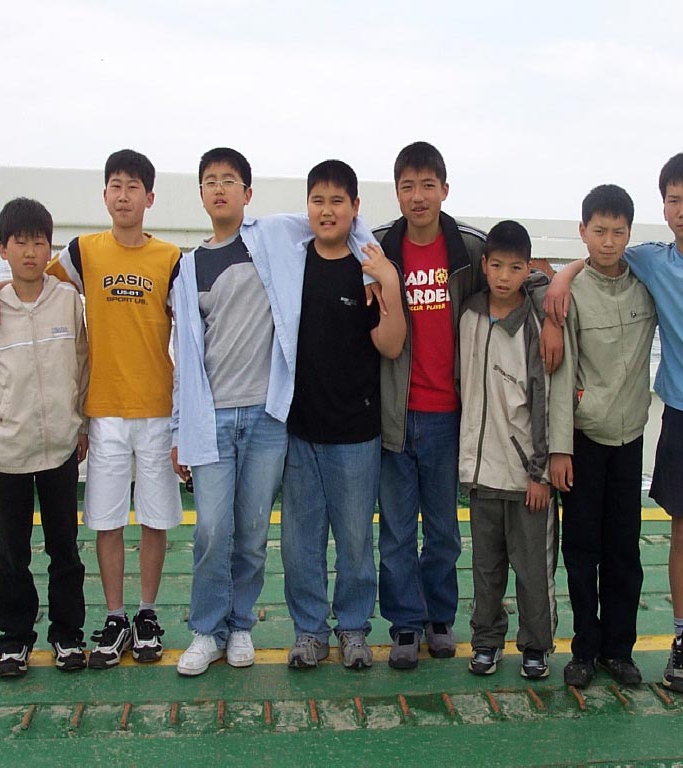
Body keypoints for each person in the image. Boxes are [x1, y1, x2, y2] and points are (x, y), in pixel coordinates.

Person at [547, 152, 683, 694]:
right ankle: (639, 646)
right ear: (663, 208)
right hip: (642, 427)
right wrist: (560, 279)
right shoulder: (629, 271)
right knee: (647, 537)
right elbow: (589, 260)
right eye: (674, 200)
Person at [170, 148, 380, 675]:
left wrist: (377, 273)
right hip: (212, 418)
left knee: (253, 532)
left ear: (248, 192)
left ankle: (241, 625)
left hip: (268, 416)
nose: (220, 189)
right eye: (210, 181)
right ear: (201, 194)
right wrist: (179, 430)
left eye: (230, 180)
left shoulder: (272, 235)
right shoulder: (189, 266)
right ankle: (207, 630)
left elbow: (344, 223)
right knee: (211, 530)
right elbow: (184, 355)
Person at [0, 150, 183, 669]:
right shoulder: (83, 252)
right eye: (115, 185)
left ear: (150, 198)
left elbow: (195, 325)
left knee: (154, 519)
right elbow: (29, 281)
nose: (123, 195)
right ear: (105, 195)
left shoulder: (171, 258)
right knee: (106, 521)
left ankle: (147, 614)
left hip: (158, 407)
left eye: (133, 187)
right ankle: (115, 617)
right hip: (103, 411)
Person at [373, 142, 559, 670]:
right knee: (396, 531)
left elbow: (526, 280)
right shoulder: (382, 247)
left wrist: (553, 309)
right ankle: (404, 624)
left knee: (443, 532)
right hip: (394, 413)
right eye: (408, 186)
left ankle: (439, 620)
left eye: (428, 185)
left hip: (448, 416)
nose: (418, 196)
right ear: (397, 192)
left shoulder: (468, 248)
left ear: (445, 190)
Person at [281, 160, 406, 670]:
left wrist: (389, 283)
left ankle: (353, 628)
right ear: (307, 206)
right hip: (299, 431)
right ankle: (309, 632)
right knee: (299, 544)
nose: (327, 210)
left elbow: (391, 345)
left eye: (338, 201)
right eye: (318, 200)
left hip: (357, 433)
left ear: (355, 207)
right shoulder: (291, 264)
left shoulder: (368, 266)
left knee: (355, 541)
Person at [0, 197, 89, 677]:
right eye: (20, 242)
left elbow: (83, 366)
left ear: (50, 248)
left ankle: (67, 636)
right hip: (8, 451)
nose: (31, 251)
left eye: (39, 242)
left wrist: (82, 424)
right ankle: (14, 641)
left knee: (65, 549)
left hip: (60, 448)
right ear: (3, 250)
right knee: (11, 553)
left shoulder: (67, 301)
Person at [548, 185, 655, 688]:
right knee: (580, 550)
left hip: (630, 438)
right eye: (599, 231)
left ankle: (619, 650)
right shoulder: (571, 293)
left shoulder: (647, 286)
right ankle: (584, 651)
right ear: (583, 232)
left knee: (624, 551)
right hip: (585, 439)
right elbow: (562, 374)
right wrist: (560, 448)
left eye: (618, 232)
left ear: (630, 234)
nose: (608, 241)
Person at [458, 220, 558, 680]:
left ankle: (536, 645)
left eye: (515, 268)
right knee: (486, 569)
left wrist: (541, 473)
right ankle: (486, 641)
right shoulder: (469, 314)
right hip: (481, 473)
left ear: (527, 269)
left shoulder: (534, 324)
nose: (503, 276)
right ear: (484, 265)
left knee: (533, 570)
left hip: (525, 478)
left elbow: (544, 400)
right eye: (496, 266)